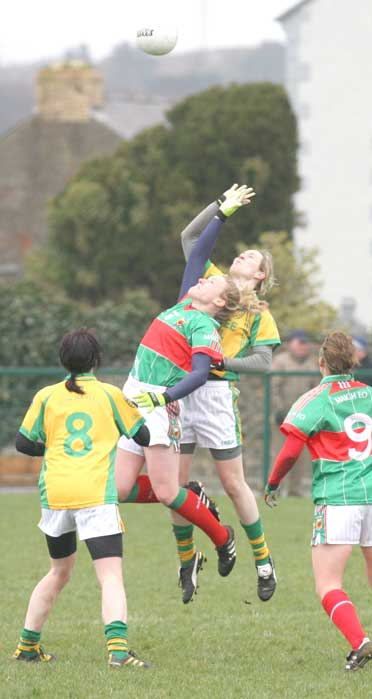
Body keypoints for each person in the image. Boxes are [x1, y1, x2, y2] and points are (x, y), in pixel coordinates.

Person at [264, 330, 372, 671]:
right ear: (354, 361)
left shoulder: (314, 399)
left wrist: (272, 483)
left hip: (338, 498)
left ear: (321, 362)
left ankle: (360, 643)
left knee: (328, 584)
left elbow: (289, 452)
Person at [114, 186, 255, 597]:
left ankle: (222, 537)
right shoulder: (184, 305)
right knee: (121, 490)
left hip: (158, 406)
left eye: (210, 282)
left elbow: (198, 374)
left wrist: (165, 397)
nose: (201, 279)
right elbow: (196, 253)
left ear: (219, 300)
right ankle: (194, 498)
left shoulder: (204, 325)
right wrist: (222, 213)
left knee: (166, 491)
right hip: (134, 400)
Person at [13, 329, 150, 668]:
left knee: (58, 571)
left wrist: (57, 444)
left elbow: (23, 444)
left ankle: (27, 646)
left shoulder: (47, 395)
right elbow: (143, 435)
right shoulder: (109, 395)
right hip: (94, 494)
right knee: (110, 575)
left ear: (64, 361)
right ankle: (118, 651)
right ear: (96, 360)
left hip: (55, 494)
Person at [172, 184, 280, 603]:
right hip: (181, 391)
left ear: (260, 276)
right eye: (241, 252)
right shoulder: (210, 281)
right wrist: (220, 206)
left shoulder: (259, 313)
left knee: (234, 484)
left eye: (251, 257)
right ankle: (187, 561)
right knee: (175, 486)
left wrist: (222, 364)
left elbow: (263, 363)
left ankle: (264, 559)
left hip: (216, 395)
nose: (242, 255)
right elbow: (188, 237)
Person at [271, 329, 317, 496]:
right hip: (283, 415)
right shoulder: (280, 361)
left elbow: (316, 390)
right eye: (299, 342)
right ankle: (274, 488)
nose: (302, 347)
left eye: (305, 343)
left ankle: (295, 490)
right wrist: (278, 409)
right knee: (279, 453)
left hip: (303, 418)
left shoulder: (312, 363)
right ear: (290, 343)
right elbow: (273, 387)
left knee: (301, 456)